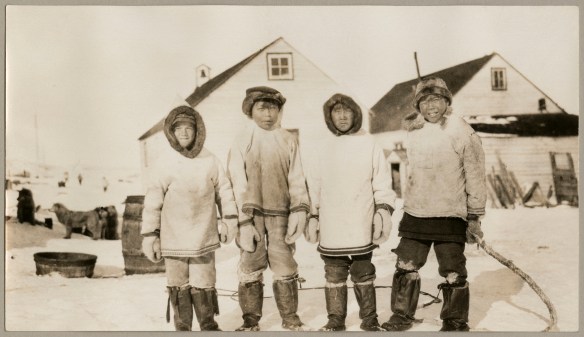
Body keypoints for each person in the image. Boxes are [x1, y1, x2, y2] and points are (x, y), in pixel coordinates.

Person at [381, 77, 486, 332]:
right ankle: (402, 315)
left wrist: (474, 216)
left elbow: (475, 173)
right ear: (418, 105)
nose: (432, 106)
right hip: (417, 211)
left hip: (450, 213)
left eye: (437, 99)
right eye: (425, 101)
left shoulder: (461, 130)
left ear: (447, 101)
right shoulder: (414, 131)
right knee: (406, 264)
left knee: (452, 268)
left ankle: (455, 320)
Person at [140, 105, 238, 331]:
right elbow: (153, 201)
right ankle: (183, 328)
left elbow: (224, 191)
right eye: (178, 129)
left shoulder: (210, 160)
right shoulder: (164, 162)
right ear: (171, 132)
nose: (184, 133)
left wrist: (228, 220)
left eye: (189, 128)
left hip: (204, 235)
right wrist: (150, 236)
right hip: (173, 239)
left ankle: (208, 325)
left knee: (204, 281)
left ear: (197, 130)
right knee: (178, 284)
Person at [304, 93, 397, 331]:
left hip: (360, 219)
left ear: (356, 114)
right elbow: (313, 185)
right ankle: (336, 319)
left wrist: (383, 210)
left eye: (347, 111)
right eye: (337, 111)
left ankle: (369, 319)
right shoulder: (321, 146)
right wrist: (313, 215)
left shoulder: (369, 143)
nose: (343, 116)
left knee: (363, 270)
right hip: (332, 222)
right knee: (334, 272)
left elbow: (382, 183)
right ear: (329, 116)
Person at [227, 86, 310, 331]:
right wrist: (242, 221)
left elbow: (297, 178)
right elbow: (236, 182)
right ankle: (250, 319)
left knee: (284, 263)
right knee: (251, 263)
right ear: (250, 110)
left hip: (281, 214)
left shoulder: (287, 139)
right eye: (262, 108)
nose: (268, 115)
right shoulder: (242, 139)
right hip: (252, 216)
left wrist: (299, 210)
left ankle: (290, 317)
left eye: (273, 108)